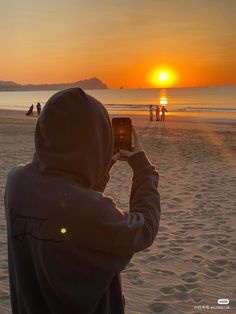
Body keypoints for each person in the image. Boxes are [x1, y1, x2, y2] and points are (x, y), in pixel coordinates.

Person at [5, 88, 161, 314]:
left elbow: (67, 201)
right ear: (96, 140)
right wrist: (143, 168)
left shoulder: (16, 182)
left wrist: (103, 166)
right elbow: (145, 228)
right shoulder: (90, 212)